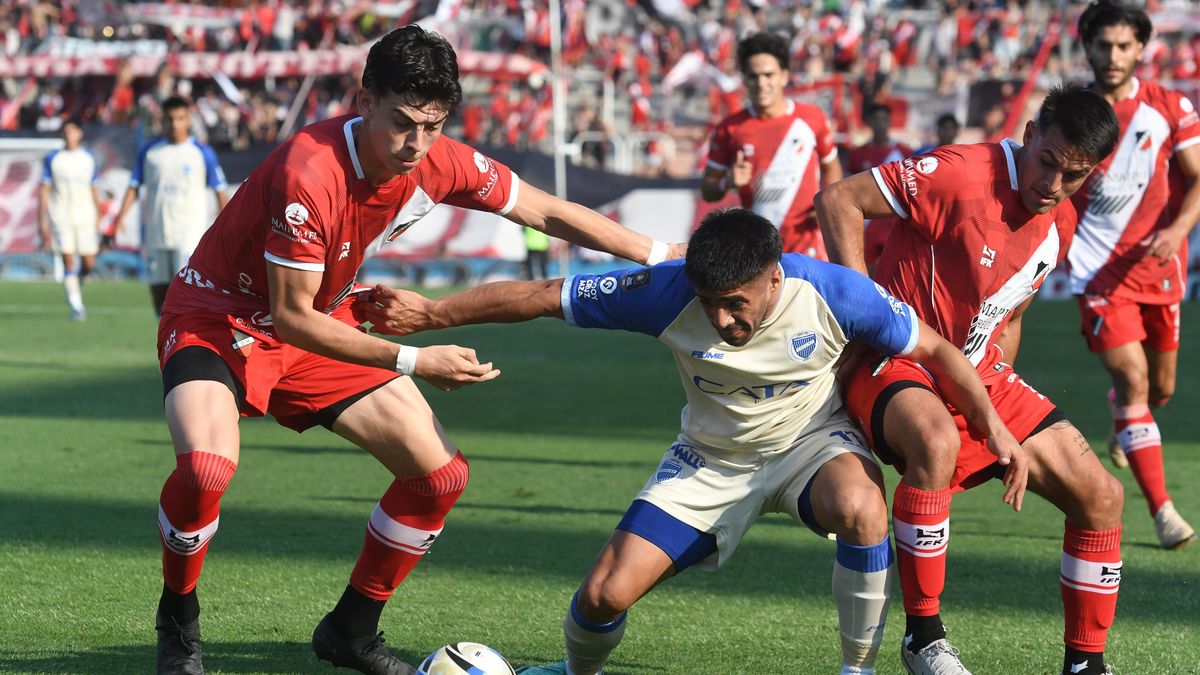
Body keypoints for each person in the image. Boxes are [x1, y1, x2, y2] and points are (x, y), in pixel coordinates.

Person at [149, 25, 682, 675]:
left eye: (433, 125)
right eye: (403, 122)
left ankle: (350, 630)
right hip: (217, 317)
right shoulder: (308, 172)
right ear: (364, 100)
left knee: (439, 476)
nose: (417, 144)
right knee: (207, 470)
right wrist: (415, 359)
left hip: (319, 319)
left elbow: (544, 212)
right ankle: (178, 614)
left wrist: (659, 257)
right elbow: (288, 318)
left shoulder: (437, 159)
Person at [361, 208, 1024, 675]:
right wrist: (431, 313)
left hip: (812, 446)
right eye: (710, 303)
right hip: (709, 460)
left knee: (864, 506)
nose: (722, 317)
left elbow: (934, 347)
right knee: (601, 595)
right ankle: (574, 671)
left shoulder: (833, 291)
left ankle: (859, 669)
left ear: (774, 277)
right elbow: (541, 294)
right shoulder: (666, 292)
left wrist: (994, 428)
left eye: (736, 302)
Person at [817, 84, 1125, 675]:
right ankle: (924, 638)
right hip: (897, 357)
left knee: (1102, 496)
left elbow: (1009, 316)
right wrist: (863, 311)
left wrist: (996, 398)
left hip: (978, 370)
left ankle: (1085, 664)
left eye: (1075, 176)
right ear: (1030, 135)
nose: (1053, 185)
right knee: (935, 442)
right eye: (1048, 163)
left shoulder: (1059, 222)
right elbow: (839, 200)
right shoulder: (960, 171)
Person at [1070, 0, 1200, 550]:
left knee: (1160, 387)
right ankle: (1164, 512)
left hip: (1158, 267)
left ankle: (1124, 414)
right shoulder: (1072, 114)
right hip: (1096, 273)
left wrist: (1177, 233)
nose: (1114, 55)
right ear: (1088, 47)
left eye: (1124, 45)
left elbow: (1197, 180)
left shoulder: (1171, 107)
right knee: (1136, 380)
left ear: (1141, 48)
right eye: (1104, 44)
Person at [700, 32, 844, 259]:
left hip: (809, 247)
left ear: (784, 76)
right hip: (759, 249)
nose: (761, 83)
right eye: (753, 76)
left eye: (768, 75)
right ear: (744, 79)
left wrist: (827, 201)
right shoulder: (728, 128)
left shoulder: (812, 118)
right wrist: (727, 181)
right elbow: (707, 191)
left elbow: (831, 166)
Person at [112, 95, 229, 315]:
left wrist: (226, 229)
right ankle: (164, 342)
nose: (175, 124)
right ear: (162, 121)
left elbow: (220, 192)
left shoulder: (202, 153)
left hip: (188, 235)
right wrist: (120, 218)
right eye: (170, 119)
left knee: (184, 292)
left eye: (180, 118)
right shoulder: (150, 152)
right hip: (157, 233)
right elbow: (134, 186)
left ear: (188, 120)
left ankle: (183, 345)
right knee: (158, 292)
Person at [37, 119, 103, 321]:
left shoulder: (88, 158)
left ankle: (75, 286)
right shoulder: (53, 158)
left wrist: (99, 215)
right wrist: (42, 220)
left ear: (79, 134)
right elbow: (44, 190)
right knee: (67, 258)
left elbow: (93, 188)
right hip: (61, 216)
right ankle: (77, 306)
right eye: (65, 132)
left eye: (73, 131)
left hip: (85, 216)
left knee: (88, 263)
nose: (69, 135)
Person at [843, 103, 912, 175]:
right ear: (869, 122)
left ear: (890, 122)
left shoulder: (905, 153)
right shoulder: (857, 154)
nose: (881, 124)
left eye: (884, 120)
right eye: (876, 120)